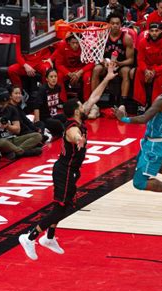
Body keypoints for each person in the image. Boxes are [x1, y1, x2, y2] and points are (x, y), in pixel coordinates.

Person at [18, 66, 118, 261]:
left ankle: (49, 238)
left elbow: (94, 98)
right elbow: (73, 135)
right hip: (64, 170)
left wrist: (106, 78)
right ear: (75, 111)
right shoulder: (72, 127)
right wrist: (79, 138)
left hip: (71, 171)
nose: (84, 106)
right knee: (60, 207)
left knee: (67, 206)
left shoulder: (79, 118)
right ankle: (30, 236)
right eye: (81, 105)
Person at [91, 13, 134, 110]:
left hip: (120, 65)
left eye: (117, 23)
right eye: (113, 23)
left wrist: (120, 63)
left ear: (121, 25)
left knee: (126, 71)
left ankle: (122, 104)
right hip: (106, 65)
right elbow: (97, 55)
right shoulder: (102, 35)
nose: (115, 25)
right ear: (108, 24)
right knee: (96, 69)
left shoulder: (126, 38)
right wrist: (103, 62)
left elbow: (131, 60)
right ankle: (94, 102)